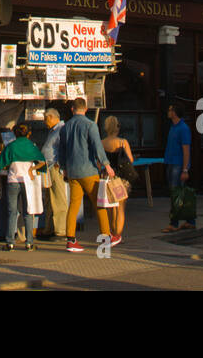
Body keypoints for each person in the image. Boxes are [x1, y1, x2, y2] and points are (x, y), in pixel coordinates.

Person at [57, 98, 115, 252]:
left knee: (74, 205)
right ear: (86, 108)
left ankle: (70, 239)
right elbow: (97, 146)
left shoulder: (65, 127)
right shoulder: (90, 125)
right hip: (89, 171)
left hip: (72, 172)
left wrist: (64, 168)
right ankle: (106, 237)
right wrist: (106, 164)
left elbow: (61, 151)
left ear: (72, 109)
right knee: (99, 204)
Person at [0, 122, 45, 251]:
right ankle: (29, 242)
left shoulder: (10, 146)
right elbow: (42, 162)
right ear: (28, 134)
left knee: (12, 212)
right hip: (28, 182)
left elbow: (1, 164)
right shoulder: (32, 146)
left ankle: (10, 242)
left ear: (15, 133)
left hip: (13, 180)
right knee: (28, 211)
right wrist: (32, 169)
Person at [101, 116, 136, 240]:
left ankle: (112, 231)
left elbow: (99, 162)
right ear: (117, 127)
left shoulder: (102, 142)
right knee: (120, 208)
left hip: (108, 177)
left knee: (110, 207)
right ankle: (118, 234)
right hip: (121, 179)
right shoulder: (123, 142)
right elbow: (130, 160)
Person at [161, 102, 194, 233]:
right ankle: (190, 221)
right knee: (181, 193)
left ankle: (174, 223)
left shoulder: (183, 129)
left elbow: (186, 150)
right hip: (171, 162)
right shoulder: (173, 127)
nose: (168, 112)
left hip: (178, 164)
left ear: (175, 112)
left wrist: (185, 169)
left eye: (170, 109)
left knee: (176, 194)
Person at [37, 108, 67, 240]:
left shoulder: (61, 129)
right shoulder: (53, 131)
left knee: (58, 198)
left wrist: (59, 164)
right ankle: (49, 228)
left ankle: (61, 230)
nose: (45, 122)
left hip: (54, 167)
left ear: (52, 117)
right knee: (49, 199)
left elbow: (65, 147)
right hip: (48, 167)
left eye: (46, 119)